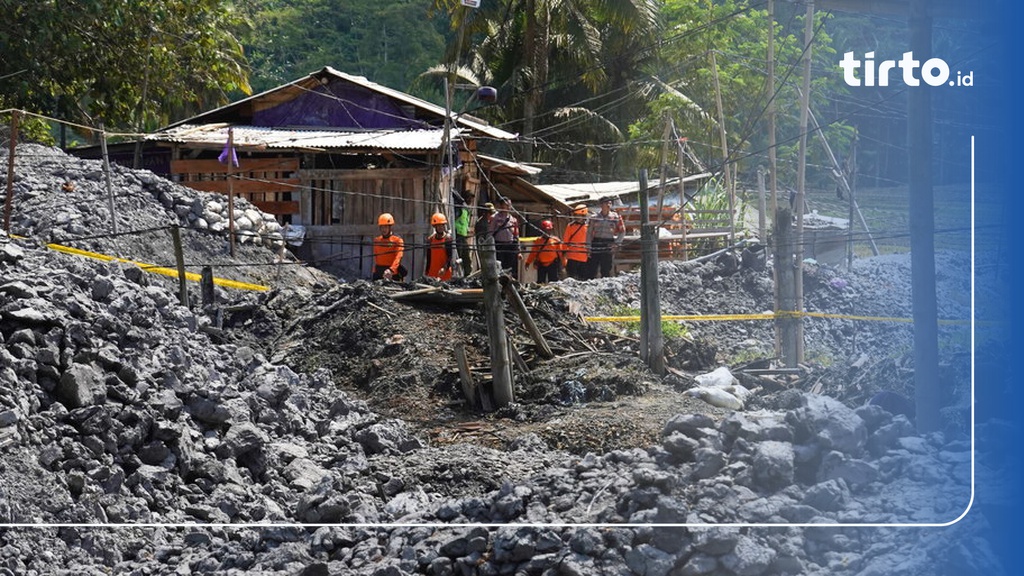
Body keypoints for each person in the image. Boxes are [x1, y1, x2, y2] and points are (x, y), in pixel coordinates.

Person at [587, 196, 625, 278]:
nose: (608, 205)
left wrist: (617, 243)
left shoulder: (615, 217)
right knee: (592, 267)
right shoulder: (594, 217)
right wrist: (588, 246)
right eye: (606, 203)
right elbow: (589, 232)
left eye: (610, 203)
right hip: (596, 242)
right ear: (601, 205)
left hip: (608, 243)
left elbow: (622, 231)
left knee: (606, 268)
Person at [488, 197, 521, 278]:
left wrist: (519, 250)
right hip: (498, 245)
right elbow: (490, 233)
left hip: (510, 245)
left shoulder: (513, 219)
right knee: (499, 266)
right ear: (501, 206)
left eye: (509, 205)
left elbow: (516, 236)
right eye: (506, 205)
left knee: (510, 267)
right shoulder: (495, 217)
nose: (508, 207)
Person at [524, 220, 564, 284]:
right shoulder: (538, 241)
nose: (547, 232)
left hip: (553, 264)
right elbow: (533, 253)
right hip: (541, 264)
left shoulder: (556, 240)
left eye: (549, 230)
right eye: (545, 230)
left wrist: (564, 264)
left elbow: (561, 254)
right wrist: (528, 262)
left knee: (553, 283)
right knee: (540, 283)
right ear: (542, 230)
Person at [371, 213, 407, 281]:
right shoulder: (377, 240)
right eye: (381, 227)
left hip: (392, 274)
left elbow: (398, 257)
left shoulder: (397, 240)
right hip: (378, 273)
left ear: (390, 227)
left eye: (386, 227)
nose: (383, 229)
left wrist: (391, 270)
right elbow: (377, 258)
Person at [562, 203, 590, 280]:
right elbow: (565, 241)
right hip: (572, 257)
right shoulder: (570, 226)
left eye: (579, 215)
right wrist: (563, 254)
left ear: (584, 216)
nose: (577, 217)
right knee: (571, 279)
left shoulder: (588, 227)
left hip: (584, 258)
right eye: (576, 215)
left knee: (582, 280)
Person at [424, 212, 454, 281]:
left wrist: (444, 268)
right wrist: (426, 271)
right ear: (435, 227)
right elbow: (428, 258)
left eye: (442, 225)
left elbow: (450, 257)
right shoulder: (430, 240)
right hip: (432, 273)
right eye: (438, 226)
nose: (441, 227)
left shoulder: (447, 239)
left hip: (444, 274)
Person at [453, 191, 474, 276]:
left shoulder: (466, 210)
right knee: (459, 257)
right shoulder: (460, 208)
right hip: (458, 235)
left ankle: (467, 275)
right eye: (469, 198)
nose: (471, 201)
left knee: (466, 257)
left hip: (463, 236)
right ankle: (458, 276)